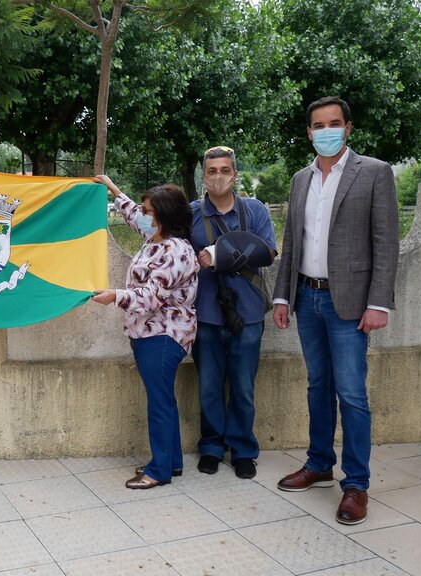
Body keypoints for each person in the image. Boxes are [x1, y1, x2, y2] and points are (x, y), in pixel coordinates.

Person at [272, 97, 400, 525]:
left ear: (348, 127)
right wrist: (282, 296)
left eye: (334, 123)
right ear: (309, 132)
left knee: (352, 393)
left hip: (350, 303)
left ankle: (357, 484)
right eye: (317, 125)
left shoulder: (375, 173)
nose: (325, 130)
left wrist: (379, 302)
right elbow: (292, 242)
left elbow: (386, 243)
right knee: (317, 386)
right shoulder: (299, 179)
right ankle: (319, 464)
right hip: (307, 298)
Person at [91, 176, 199, 490]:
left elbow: (150, 298)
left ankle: (159, 470)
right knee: (163, 399)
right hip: (148, 334)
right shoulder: (155, 237)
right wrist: (112, 188)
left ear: (165, 216)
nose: (143, 215)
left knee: (159, 403)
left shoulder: (175, 252)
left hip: (163, 337)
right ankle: (172, 461)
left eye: (149, 211)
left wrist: (115, 295)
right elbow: (132, 215)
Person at [189, 146, 277, 480]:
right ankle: (211, 446)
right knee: (209, 385)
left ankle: (242, 449)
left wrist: (220, 256)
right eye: (211, 171)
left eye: (225, 170)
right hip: (207, 312)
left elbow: (267, 253)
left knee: (242, 385)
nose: (218, 177)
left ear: (235, 174)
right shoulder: (193, 213)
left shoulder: (254, 211)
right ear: (203, 175)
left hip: (249, 310)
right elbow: (177, 251)